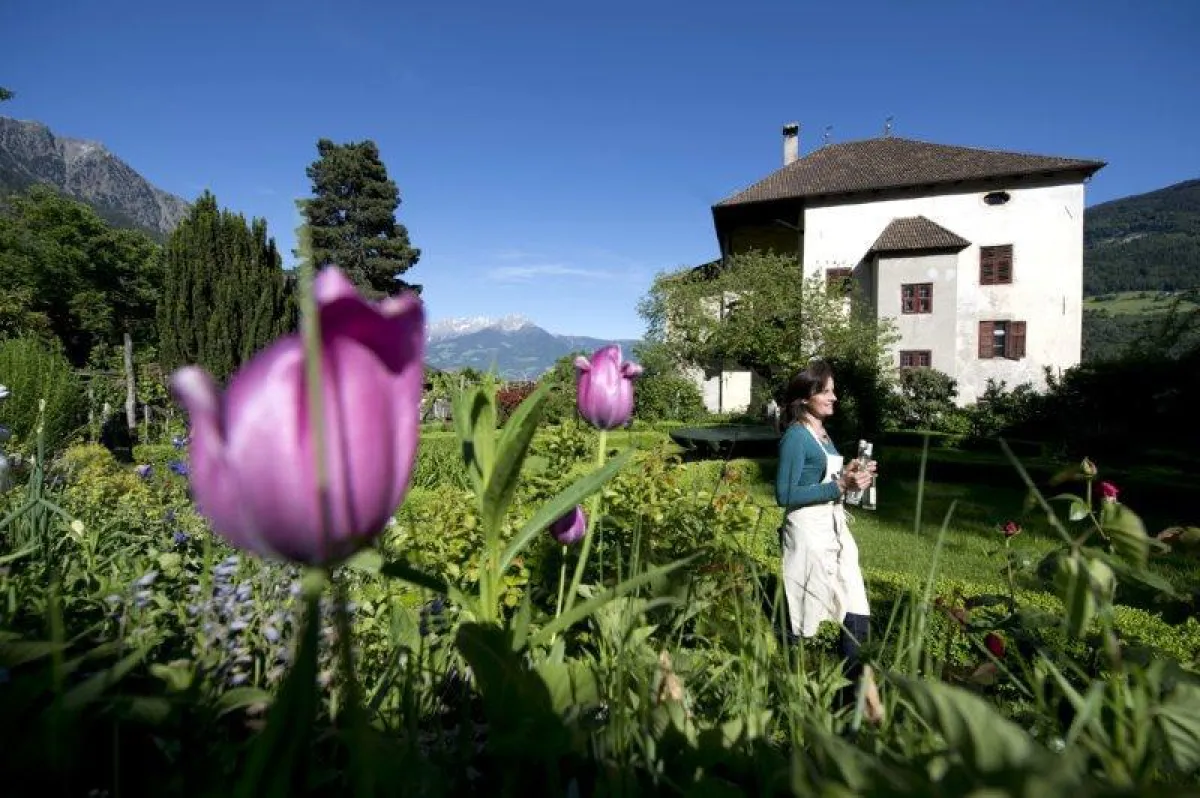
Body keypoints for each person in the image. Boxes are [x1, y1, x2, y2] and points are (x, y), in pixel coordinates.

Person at [774, 360, 883, 723]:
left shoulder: (822, 434)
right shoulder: (796, 437)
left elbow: (826, 477)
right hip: (807, 532)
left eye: (833, 390)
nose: (833, 397)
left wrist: (853, 474)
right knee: (803, 610)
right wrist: (839, 485)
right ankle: (791, 695)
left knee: (855, 604)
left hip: (835, 527)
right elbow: (785, 493)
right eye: (826, 391)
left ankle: (850, 697)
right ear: (805, 399)